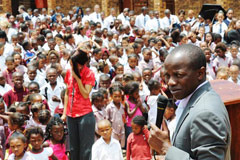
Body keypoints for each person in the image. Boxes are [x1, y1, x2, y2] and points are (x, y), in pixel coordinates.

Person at [148, 44, 231, 159]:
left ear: (200, 73)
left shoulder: (205, 113)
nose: (170, 82)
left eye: (179, 75)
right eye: (167, 75)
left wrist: (166, 149)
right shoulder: (193, 99)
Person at [61, 49, 95, 160]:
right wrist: (65, 112)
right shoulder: (69, 72)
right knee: (73, 148)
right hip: (71, 115)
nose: (71, 65)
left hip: (84, 115)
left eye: (74, 63)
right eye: (70, 62)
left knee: (85, 149)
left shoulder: (89, 73)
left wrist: (78, 79)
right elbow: (67, 93)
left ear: (82, 63)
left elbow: (85, 94)